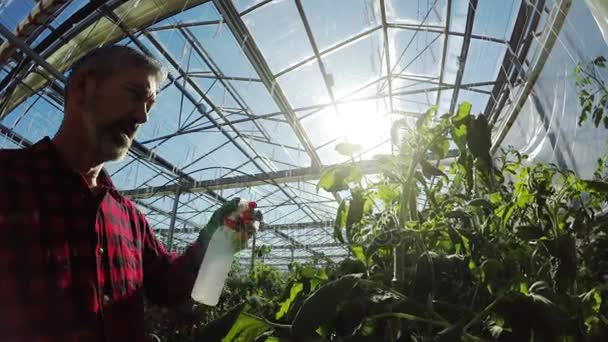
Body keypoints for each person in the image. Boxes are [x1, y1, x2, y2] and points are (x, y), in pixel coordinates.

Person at [0, 45, 256, 341]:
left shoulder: (128, 217)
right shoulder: (9, 180)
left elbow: (167, 286)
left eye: (150, 105)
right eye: (135, 95)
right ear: (83, 87)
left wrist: (215, 243)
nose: (142, 117)